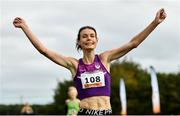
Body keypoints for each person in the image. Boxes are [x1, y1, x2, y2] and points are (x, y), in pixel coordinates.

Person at [13, 8, 166, 115]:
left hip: (107, 112)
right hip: (86, 112)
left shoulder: (105, 58)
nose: (89, 38)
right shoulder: (74, 65)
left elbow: (133, 43)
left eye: (92, 36)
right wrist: (25, 27)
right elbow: (44, 51)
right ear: (79, 42)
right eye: (84, 36)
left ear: (96, 40)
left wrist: (155, 23)